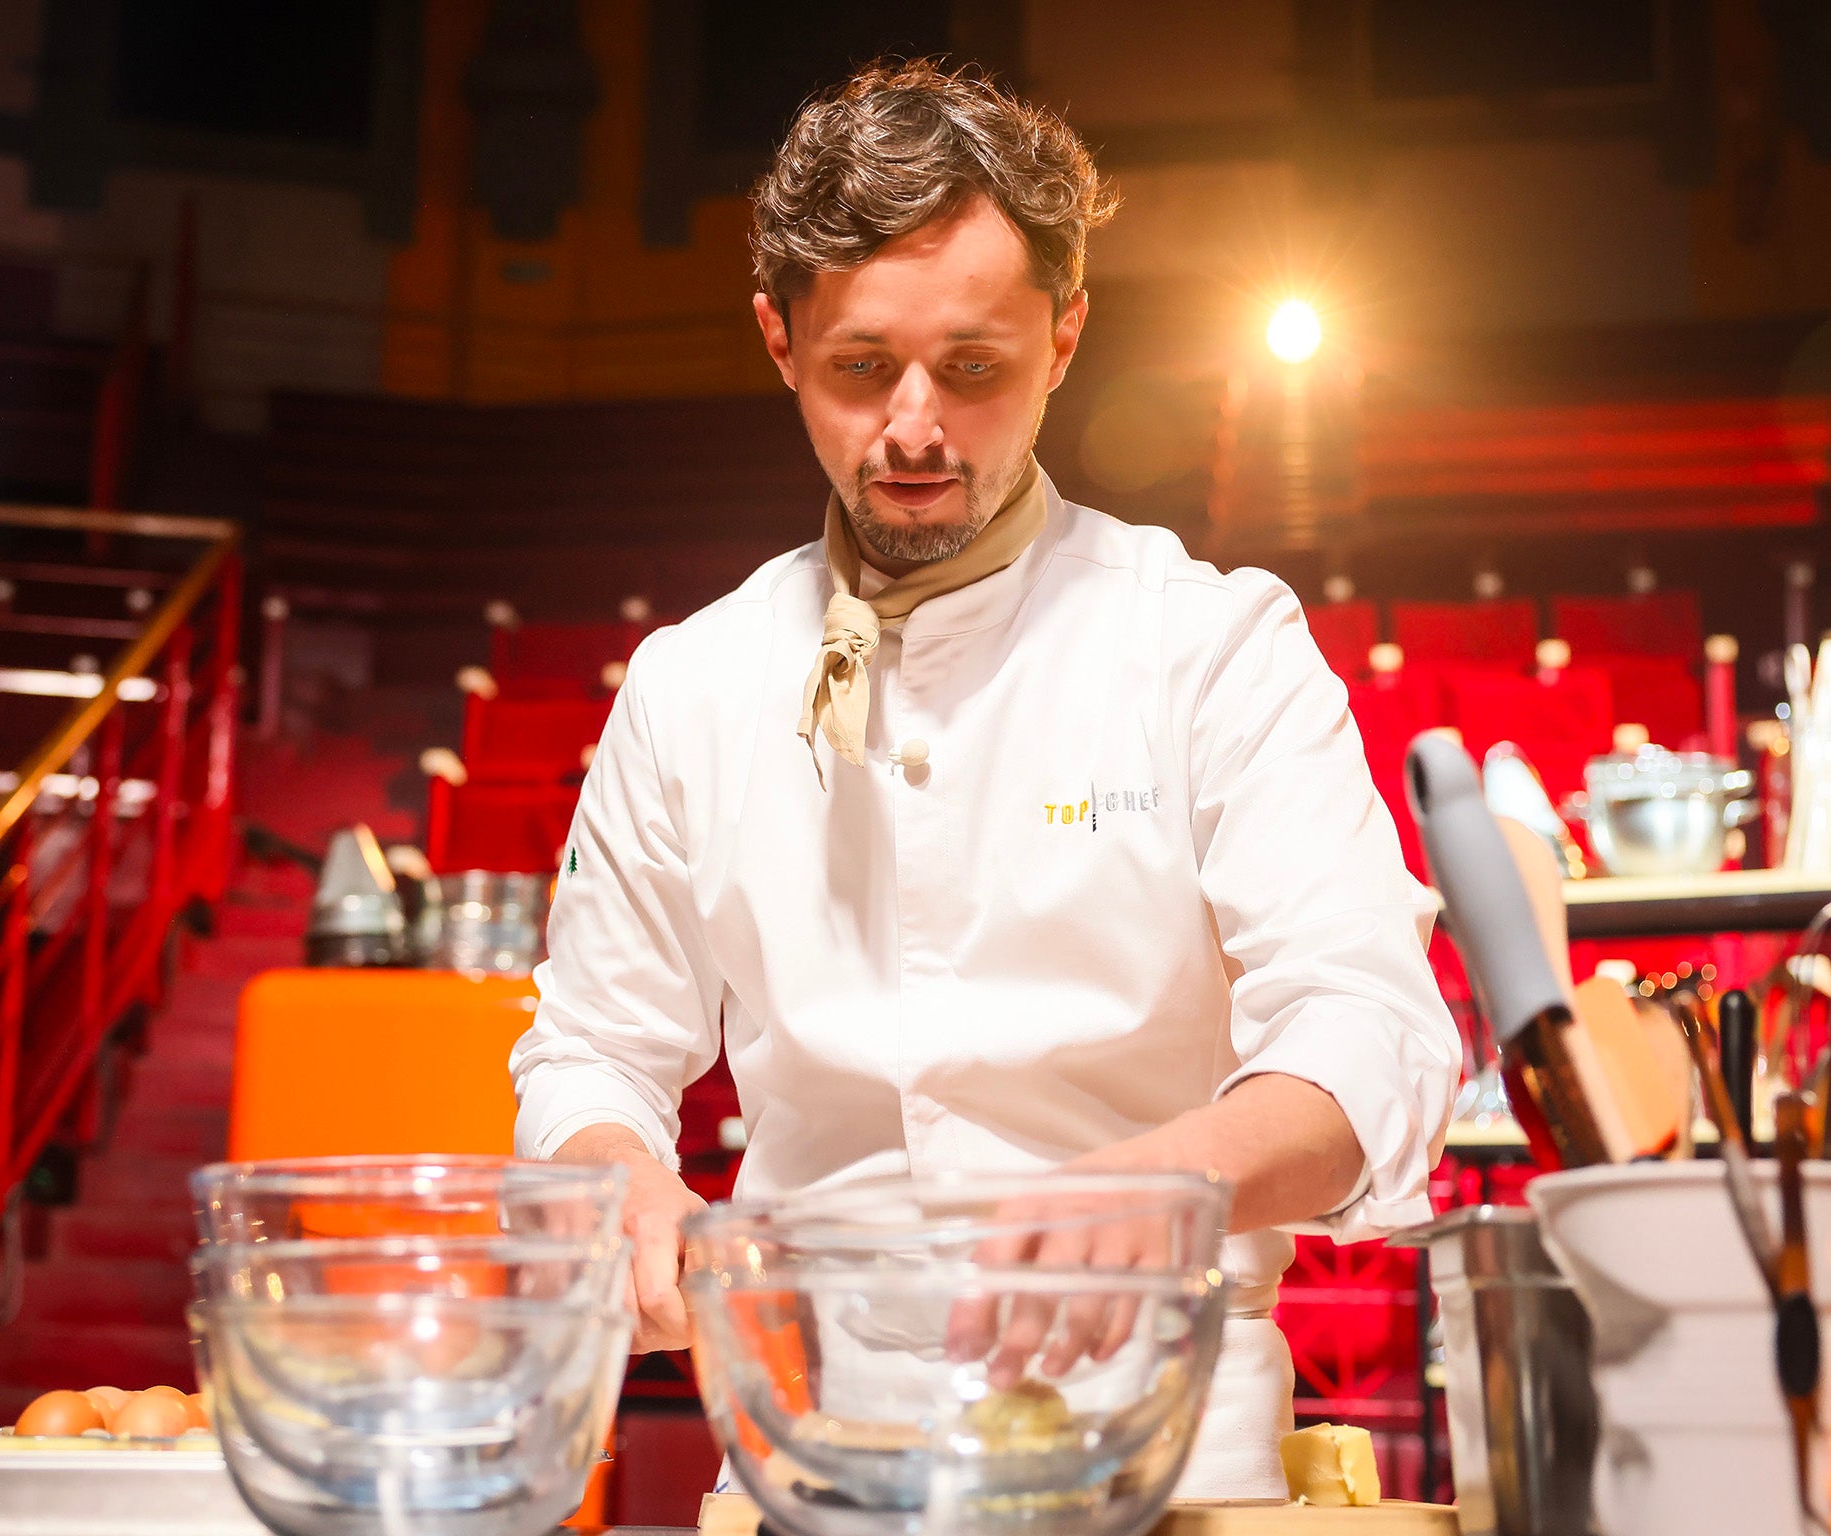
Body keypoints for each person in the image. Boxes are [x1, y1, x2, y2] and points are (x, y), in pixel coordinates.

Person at [507, 58, 1460, 1497]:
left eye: (973, 368)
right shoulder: (691, 685)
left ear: (1066, 337)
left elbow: (1372, 1030)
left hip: (1167, 1451)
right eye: (857, 368)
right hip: (811, 1453)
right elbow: (590, 1049)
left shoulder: (1208, 643)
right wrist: (620, 1176)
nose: (912, 430)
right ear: (776, 339)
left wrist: (1176, 1175)